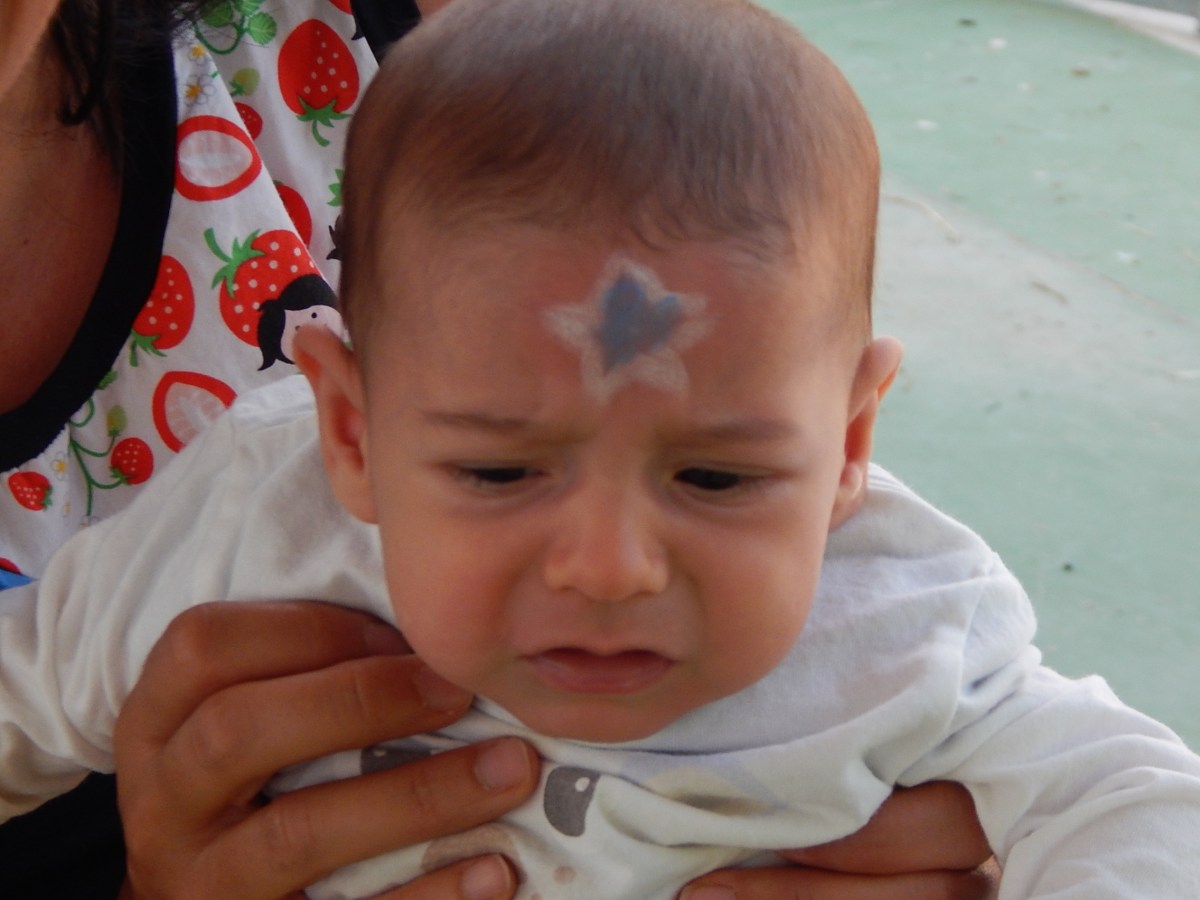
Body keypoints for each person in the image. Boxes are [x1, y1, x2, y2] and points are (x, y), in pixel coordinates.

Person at [3, 0, 1199, 897]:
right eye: (498, 471)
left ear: (849, 445)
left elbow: (1130, 798)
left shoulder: (901, 617)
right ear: (350, 431)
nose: (612, 567)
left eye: (716, 476)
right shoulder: (247, 529)